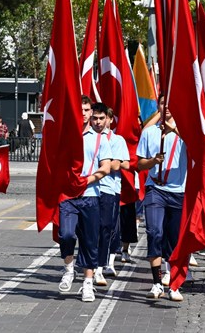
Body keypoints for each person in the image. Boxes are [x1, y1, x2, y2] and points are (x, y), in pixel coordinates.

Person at [57, 97, 112, 303]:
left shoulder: (99, 139)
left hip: (90, 195)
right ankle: (69, 268)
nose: (83, 113)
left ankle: (87, 283)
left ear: (91, 112)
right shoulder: (64, 136)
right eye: (79, 109)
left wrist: (88, 180)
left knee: (90, 241)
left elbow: (105, 167)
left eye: (86, 109)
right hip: (68, 196)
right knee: (67, 234)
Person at [137, 95, 188, 302]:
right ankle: (157, 282)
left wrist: (174, 129)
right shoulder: (149, 133)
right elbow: (139, 164)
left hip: (177, 192)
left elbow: (197, 149)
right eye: (162, 104)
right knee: (154, 232)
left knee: (174, 240)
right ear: (158, 107)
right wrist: (152, 161)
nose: (166, 108)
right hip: (155, 189)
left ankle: (174, 284)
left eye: (170, 104)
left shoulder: (184, 134)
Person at [94, 106, 128, 287]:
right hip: (90, 189)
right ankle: (91, 262)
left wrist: (114, 162)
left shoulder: (117, 139)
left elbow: (119, 165)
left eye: (102, 118)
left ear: (109, 119)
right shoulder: (89, 138)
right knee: (88, 229)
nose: (99, 122)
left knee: (106, 227)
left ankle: (101, 265)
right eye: (96, 118)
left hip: (109, 189)